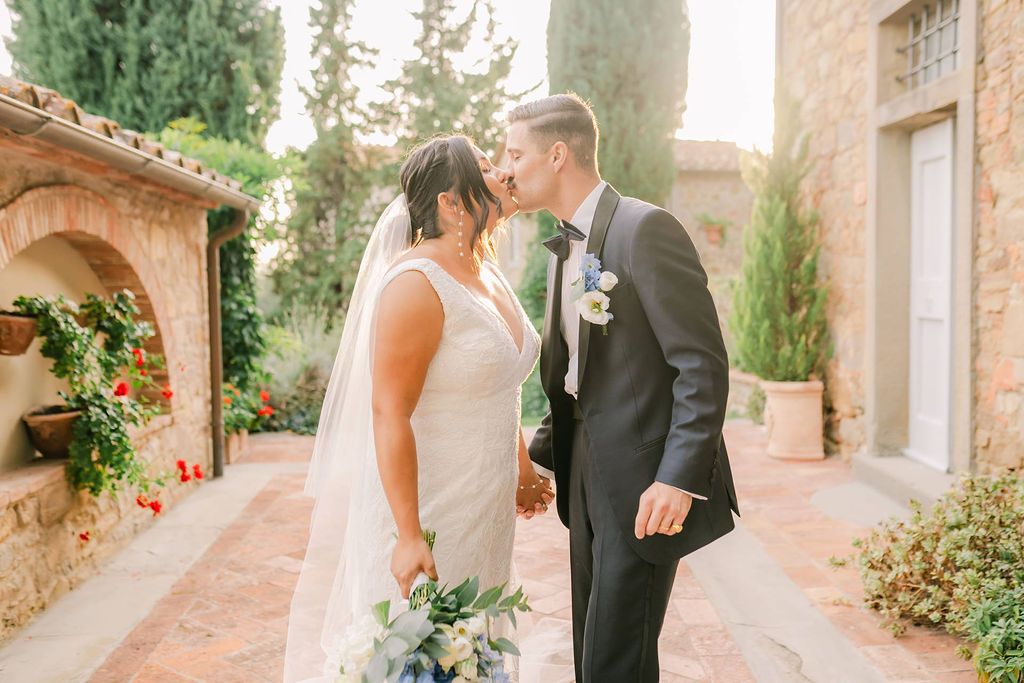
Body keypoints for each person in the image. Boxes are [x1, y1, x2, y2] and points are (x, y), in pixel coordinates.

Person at [283, 134, 552, 682]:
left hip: (484, 509)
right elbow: (389, 411)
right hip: (430, 509)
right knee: (423, 652)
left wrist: (522, 465)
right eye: (486, 168)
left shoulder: (484, 268)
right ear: (451, 203)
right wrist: (408, 534)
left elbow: (493, 383)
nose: (504, 173)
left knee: (475, 647)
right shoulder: (415, 284)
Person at [506, 93, 740, 683]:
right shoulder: (563, 247)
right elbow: (581, 374)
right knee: (593, 649)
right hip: (584, 469)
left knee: (616, 658)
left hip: (644, 478)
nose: (507, 169)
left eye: (515, 154)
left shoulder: (645, 229)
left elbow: (701, 365)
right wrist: (541, 461)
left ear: (557, 155)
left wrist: (678, 477)